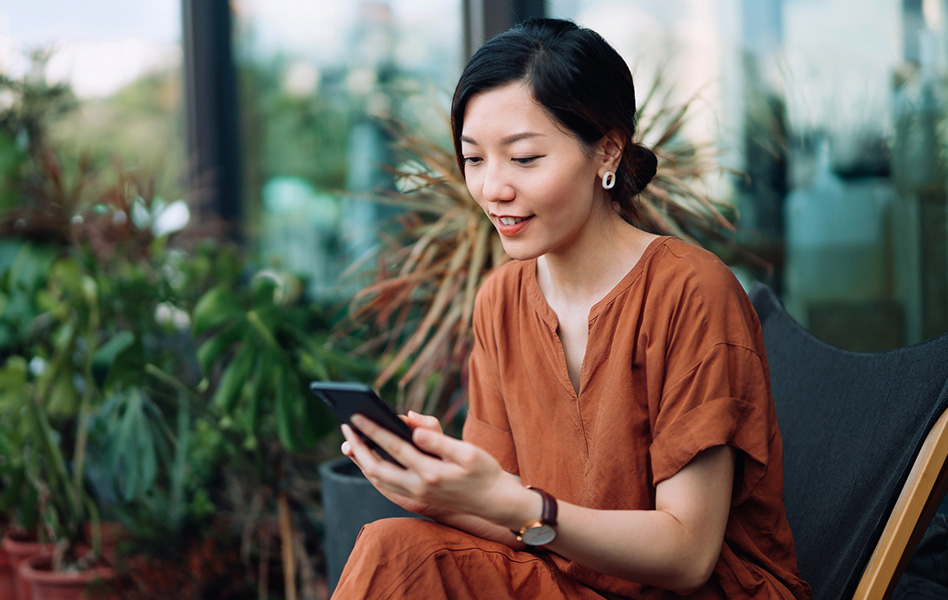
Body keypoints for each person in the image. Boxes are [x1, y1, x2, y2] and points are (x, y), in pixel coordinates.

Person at [334, 17, 811, 600]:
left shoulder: (691, 292)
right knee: (394, 549)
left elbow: (688, 555)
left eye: (524, 159)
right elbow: (517, 526)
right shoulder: (501, 300)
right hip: (563, 582)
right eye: (474, 159)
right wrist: (439, 493)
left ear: (607, 149)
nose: (492, 189)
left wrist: (512, 501)